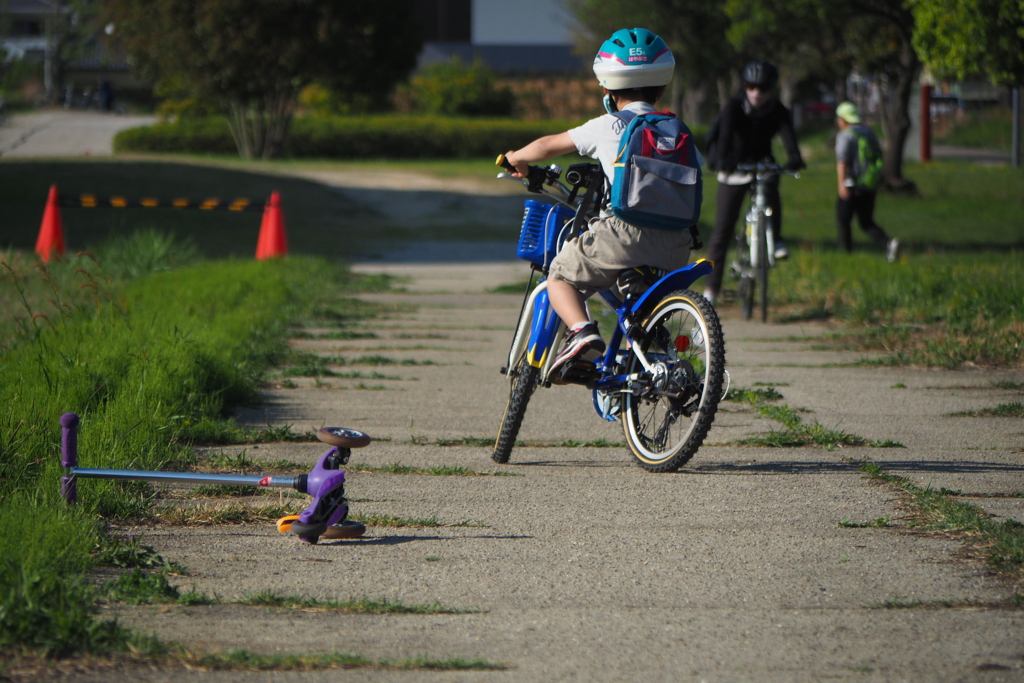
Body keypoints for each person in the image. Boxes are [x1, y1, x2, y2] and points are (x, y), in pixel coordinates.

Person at [504, 27, 695, 380]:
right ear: (662, 87)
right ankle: (650, 361)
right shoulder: (675, 130)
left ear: (606, 87)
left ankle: (582, 334)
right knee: (635, 300)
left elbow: (549, 144)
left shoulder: (610, 124)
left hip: (623, 234)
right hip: (677, 242)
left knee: (560, 277)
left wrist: (517, 158)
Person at [703, 60, 804, 305]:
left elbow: (789, 139)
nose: (756, 92)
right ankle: (711, 291)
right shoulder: (733, 107)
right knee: (723, 230)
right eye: (751, 86)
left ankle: (776, 239)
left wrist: (794, 158)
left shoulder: (778, 110)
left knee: (771, 189)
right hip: (734, 165)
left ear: (771, 89)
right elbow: (724, 137)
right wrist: (722, 160)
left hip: (762, 162)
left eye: (762, 88)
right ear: (745, 87)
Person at [834, 102, 899, 262]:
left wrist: (841, 184)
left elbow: (842, 161)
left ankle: (846, 253)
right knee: (866, 221)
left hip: (851, 183)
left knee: (843, 218)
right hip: (869, 184)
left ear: (843, 119)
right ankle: (888, 244)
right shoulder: (868, 132)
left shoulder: (845, 135)